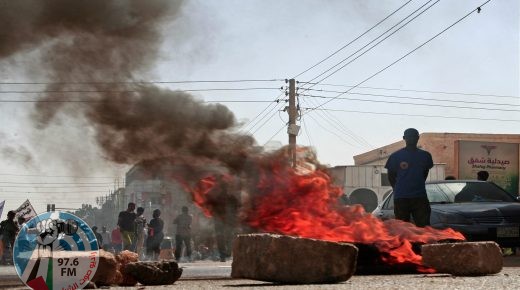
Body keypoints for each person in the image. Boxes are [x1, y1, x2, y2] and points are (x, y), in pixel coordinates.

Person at [385, 128, 433, 227]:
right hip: (401, 198)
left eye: (414, 136)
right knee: (402, 228)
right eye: (409, 136)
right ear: (404, 138)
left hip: (420, 197)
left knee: (424, 227)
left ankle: (424, 243)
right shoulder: (396, 156)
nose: (412, 138)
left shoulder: (425, 156)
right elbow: (391, 175)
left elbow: (425, 172)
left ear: (418, 138)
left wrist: (417, 184)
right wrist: (397, 188)